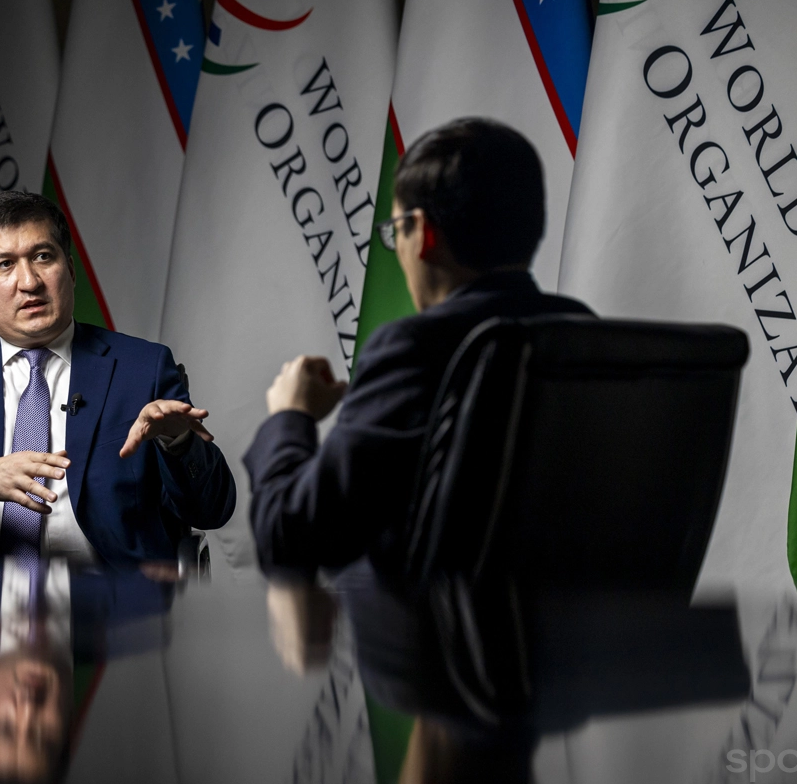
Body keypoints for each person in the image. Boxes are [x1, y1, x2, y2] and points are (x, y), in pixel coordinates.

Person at [244, 118, 593, 575]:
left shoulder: (413, 350)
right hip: (576, 621)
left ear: (422, 231)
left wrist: (291, 417)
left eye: (396, 232)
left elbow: (288, 542)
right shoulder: (582, 331)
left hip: (429, 623)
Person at [0, 191, 236, 566]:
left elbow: (213, 510)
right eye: (4, 264)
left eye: (43, 257)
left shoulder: (143, 367)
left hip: (108, 595)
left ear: (70, 270)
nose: (29, 282)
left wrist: (180, 443)